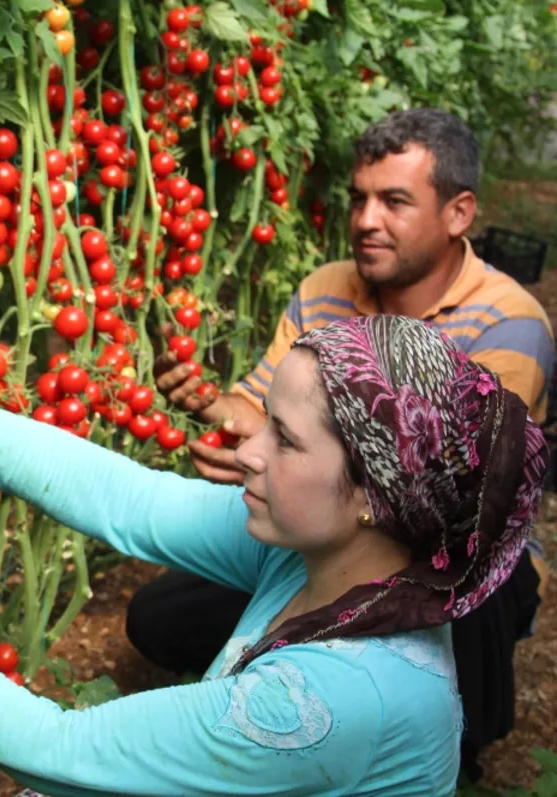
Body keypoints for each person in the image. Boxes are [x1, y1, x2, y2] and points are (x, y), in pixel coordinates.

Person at [0, 315, 547, 796]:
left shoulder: (336, 701)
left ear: (378, 491)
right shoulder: (340, 556)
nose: (248, 453)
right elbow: (131, 499)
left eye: (287, 440)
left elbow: (60, 749)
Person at [133, 107, 554, 778]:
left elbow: (465, 496)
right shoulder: (326, 288)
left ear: (459, 212)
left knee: (453, 605)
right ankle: (276, 699)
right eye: (359, 198)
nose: (365, 219)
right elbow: (261, 401)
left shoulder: (511, 321)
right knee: (154, 617)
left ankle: (453, 744)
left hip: (457, 544)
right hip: (335, 530)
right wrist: (222, 413)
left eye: (394, 201)